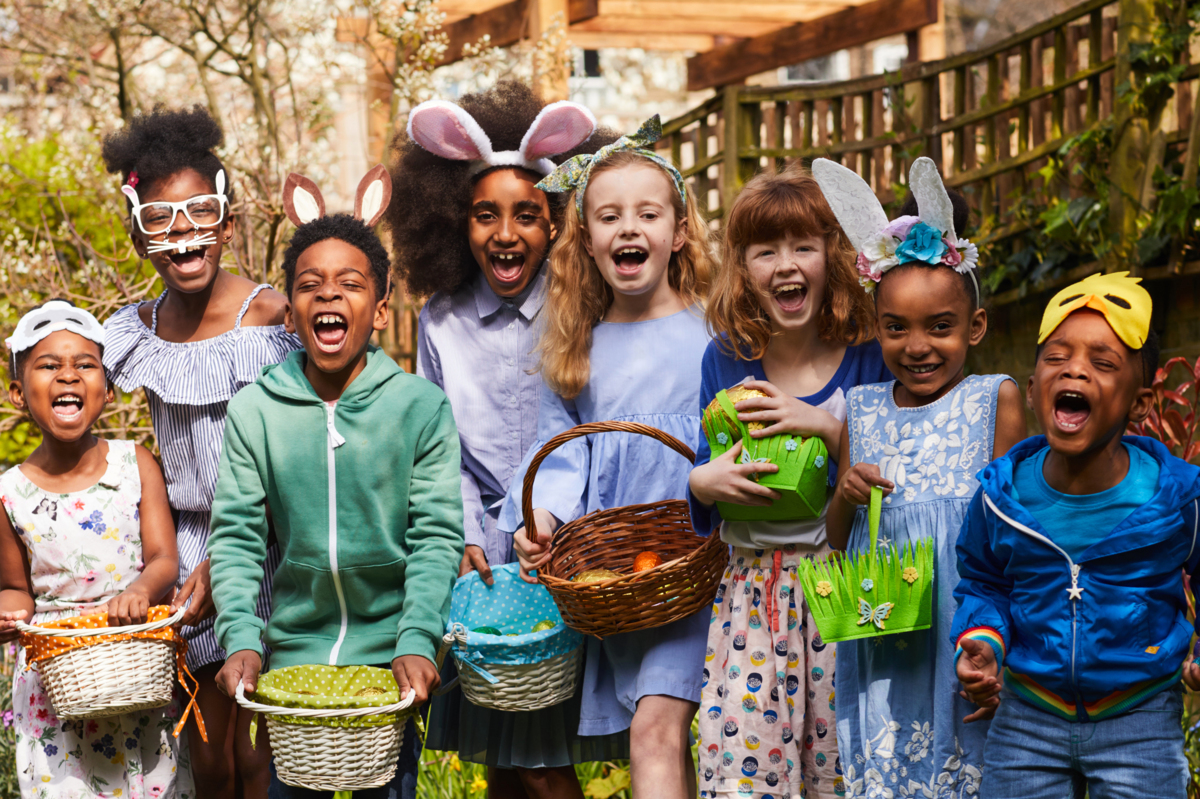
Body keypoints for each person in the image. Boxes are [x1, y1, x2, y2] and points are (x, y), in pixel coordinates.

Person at [388, 81, 628, 797]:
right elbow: (438, 445)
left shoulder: (581, 307)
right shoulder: (440, 322)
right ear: (452, 222)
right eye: (484, 214)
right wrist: (459, 527)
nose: (505, 233)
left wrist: (557, 521)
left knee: (546, 762)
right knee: (501, 758)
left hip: (561, 547)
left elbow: (593, 431)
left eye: (527, 215)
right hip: (481, 560)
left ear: (556, 223)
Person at [207, 167, 464, 799]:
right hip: (294, 654)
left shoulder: (419, 409)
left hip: (391, 655)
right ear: (290, 313)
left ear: (378, 310)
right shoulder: (255, 411)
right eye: (309, 285)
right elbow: (237, 537)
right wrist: (241, 637)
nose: (328, 296)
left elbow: (436, 538)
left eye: (350, 285)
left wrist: (417, 640)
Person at [496, 114, 713, 799]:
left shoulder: (716, 331)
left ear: (678, 232)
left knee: (655, 729)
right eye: (608, 216)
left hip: (707, 562)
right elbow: (560, 452)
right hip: (625, 578)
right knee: (660, 735)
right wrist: (543, 520)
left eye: (648, 214)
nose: (628, 228)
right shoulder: (579, 346)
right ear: (585, 240)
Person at [100, 105, 298, 798]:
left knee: (260, 751)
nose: (183, 233)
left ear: (228, 222)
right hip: (182, 552)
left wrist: (231, 557)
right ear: (138, 237)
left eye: (198, 213)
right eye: (160, 219)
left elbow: (296, 452)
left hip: (265, 541)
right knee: (208, 754)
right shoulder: (137, 329)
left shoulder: (270, 318)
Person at [818, 157, 1027, 798]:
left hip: (969, 624)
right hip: (888, 638)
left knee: (976, 768)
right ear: (875, 327)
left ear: (976, 327)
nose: (918, 346)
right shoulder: (862, 407)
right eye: (896, 328)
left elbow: (1018, 534)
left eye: (940, 327)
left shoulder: (998, 398)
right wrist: (848, 494)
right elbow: (834, 539)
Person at [953, 272, 1200, 798]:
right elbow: (983, 579)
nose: (1075, 370)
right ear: (1033, 385)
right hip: (1027, 717)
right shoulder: (1002, 496)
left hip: (1139, 717)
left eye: (1103, 363)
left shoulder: (1175, 498)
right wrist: (982, 638)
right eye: (1057, 357)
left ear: (1139, 402)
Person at [687, 166, 890, 799]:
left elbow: (888, 472)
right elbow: (704, 463)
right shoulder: (726, 358)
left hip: (840, 589)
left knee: (840, 764)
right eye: (765, 250)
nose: (786, 265)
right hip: (751, 594)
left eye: (803, 246)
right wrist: (702, 482)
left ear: (834, 257)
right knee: (745, 768)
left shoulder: (868, 356)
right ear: (741, 266)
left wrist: (827, 426)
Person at [0, 301, 194, 798]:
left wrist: (141, 589)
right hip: (55, 686)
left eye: (85, 365)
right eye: (48, 365)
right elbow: (17, 588)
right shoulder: (8, 493)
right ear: (19, 393)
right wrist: (7, 613)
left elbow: (164, 558)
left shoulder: (136, 463)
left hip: (136, 667)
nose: (68, 375)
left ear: (107, 391)